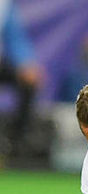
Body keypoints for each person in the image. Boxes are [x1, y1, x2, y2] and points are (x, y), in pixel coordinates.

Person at [0, 0, 43, 155]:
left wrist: (25, 63)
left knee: (28, 82)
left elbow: (15, 37)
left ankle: (16, 143)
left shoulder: (4, 5)